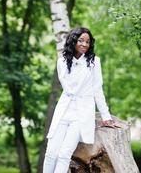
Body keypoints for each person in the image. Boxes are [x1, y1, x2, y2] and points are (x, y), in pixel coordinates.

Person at [43, 27, 120, 173]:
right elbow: (67, 88)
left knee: (64, 154)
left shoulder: (94, 62)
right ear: (73, 41)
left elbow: (98, 90)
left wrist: (106, 116)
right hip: (64, 110)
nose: (85, 44)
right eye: (81, 41)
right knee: (50, 153)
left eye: (87, 42)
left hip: (81, 113)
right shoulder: (62, 62)